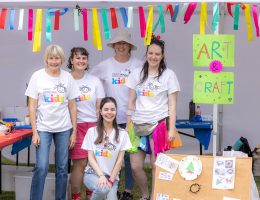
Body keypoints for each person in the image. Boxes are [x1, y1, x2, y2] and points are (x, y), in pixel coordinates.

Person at [125, 36, 180, 200]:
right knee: (135, 166)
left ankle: (156, 196)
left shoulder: (169, 75)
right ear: (146, 53)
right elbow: (131, 102)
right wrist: (128, 126)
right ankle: (145, 194)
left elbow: (172, 105)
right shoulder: (137, 74)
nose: (153, 57)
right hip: (137, 124)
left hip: (159, 124)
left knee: (157, 165)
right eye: (151, 53)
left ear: (162, 56)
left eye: (157, 54)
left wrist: (171, 129)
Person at [90, 29, 143, 200]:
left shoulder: (138, 65)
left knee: (128, 157)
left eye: (124, 44)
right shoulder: (105, 65)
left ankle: (127, 191)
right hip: (109, 119)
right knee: (109, 155)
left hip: (131, 118)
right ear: (113, 46)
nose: (121, 46)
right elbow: (89, 81)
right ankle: (110, 186)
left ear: (129, 47)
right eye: (118, 44)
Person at [25, 44, 79, 200]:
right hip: (43, 128)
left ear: (61, 60)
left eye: (57, 58)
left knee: (62, 168)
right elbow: (32, 105)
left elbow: (73, 106)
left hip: (64, 128)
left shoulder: (67, 77)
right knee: (41, 167)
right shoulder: (37, 76)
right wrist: (35, 132)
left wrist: (74, 132)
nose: (54, 61)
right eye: (51, 58)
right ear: (46, 59)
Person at [67, 47, 105, 200]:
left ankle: (90, 195)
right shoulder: (66, 79)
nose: (81, 61)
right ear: (71, 61)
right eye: (78, 58)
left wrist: (101, 129)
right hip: (75, 127)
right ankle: (75, 196)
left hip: (94, 127)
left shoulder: (94, 80)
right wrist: (72, 131)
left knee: (93, 164)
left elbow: (99, 106)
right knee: (80, 163)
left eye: (84, 58)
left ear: (87, 61)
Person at [82, 97, 132, 200]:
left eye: (112, 109)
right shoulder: (92, 132)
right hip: (93, 174)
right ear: (100, 111)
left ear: (116, 111)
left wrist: (111, 181)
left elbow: (119, 161)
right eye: (106, 109)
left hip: (112, 177)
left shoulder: (122, 134)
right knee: (102, 190)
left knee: (107, 191)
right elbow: (90, 158)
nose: (109, 112)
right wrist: (101, 176)